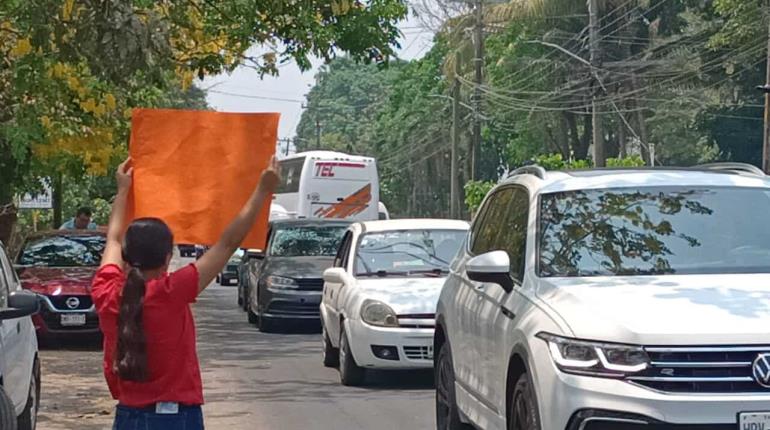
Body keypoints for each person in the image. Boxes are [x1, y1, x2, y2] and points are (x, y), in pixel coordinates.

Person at [91, 156, 279, 430]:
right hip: (177, 418)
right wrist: (263, 189)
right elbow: (228, 243)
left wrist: (123, 191)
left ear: (126, 257)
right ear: (168, 257)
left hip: (128, 417)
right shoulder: (171, 291)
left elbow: (113, 239)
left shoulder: (105, 291)